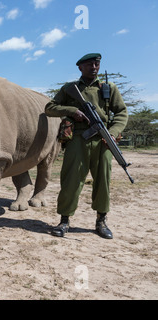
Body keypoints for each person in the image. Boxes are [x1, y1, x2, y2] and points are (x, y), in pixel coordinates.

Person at [45, 53, 128, 239]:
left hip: (103, 140)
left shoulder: (108, 88)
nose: (94, 67)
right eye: (89, 64)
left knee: (103, 182)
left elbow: (122, 112)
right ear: (80, 68)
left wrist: (113, 133)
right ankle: (64, 221)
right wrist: (72, 111)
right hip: (78, 139)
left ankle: (101, 221)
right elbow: (49, 107)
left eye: (97, 64)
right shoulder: (69, 88)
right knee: (71, 180)